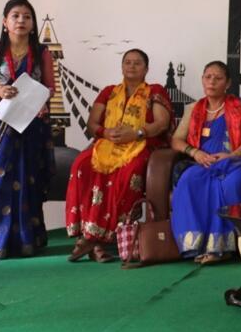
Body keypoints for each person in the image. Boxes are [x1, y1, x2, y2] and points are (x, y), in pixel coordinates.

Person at [65, 49, 172, 262]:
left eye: (137, 63)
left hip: (142, 143)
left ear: (146, 69)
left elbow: (162, 123)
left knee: (128, 172)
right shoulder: (109, 92)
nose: (132, 66)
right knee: (82, 164)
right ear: (122, 67)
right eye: (127, 62)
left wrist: (136, 133)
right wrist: (105, 133)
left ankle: (93, 240)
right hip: (108, 143)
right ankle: (94, 237)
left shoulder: (155, 90)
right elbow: (92, 123)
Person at [0, 0, 54, 259]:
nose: (21, 21)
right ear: (5, 22)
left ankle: (28, 240)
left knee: (29, 176)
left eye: (27, 16)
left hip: (32, 122)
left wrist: (41, 102)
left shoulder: (42, 53)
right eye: (16, 16)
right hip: (1, 124)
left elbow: (50, 88)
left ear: (33, 24)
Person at [169, 61, 241, 264]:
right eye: (208, 77)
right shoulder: (193, 109)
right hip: (203, 163)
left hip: (239, 162)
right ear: (202, 80)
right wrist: (194, 152)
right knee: (188, 179)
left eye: (218, 78)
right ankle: (196, 245)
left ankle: (222, 247)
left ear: (227, 83)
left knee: (229, 182)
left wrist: (232, 155)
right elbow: (176, 140)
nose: (211, 82)